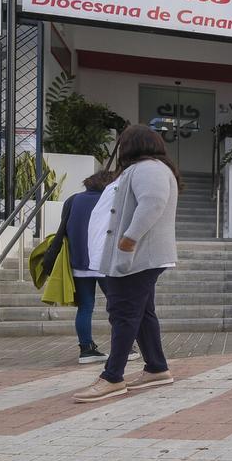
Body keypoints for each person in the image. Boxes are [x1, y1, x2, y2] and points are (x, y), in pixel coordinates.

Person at [73, 126, 179, 403]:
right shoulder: (147, 168)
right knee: (141, 313)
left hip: (137, 257)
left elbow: (153, 202)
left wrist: (129, 239)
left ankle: (112, 377)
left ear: (131, 145)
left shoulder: (148, 168)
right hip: (138, 256)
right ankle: (156, 368)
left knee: (123, 313)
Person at [43, 170, 120, 364]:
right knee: (118, 306)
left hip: (78, 262)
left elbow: (65, 227)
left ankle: (86, 349)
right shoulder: (109, 200)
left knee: (85, 307)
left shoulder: (73, 200)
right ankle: (124, 348)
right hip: (104, 261)